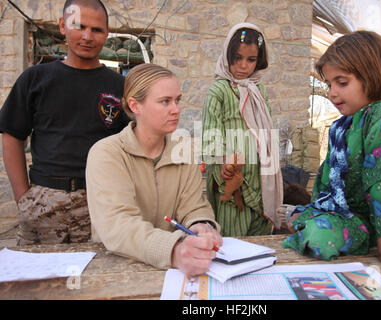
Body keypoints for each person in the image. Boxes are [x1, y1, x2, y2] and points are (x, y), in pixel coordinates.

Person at [283, 30, 381, 281]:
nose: (332, 93)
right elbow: (325, 181)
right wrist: (312, 209)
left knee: (318, 236)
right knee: (299, 215)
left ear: (373, 76)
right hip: (339, 213)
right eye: (329, 84)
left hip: (368, 222)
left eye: (342, 83)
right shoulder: (340, 126)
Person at [0, 0, 129, 245]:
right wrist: (23, 198)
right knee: (36, 281)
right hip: (43, 202)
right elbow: (12, 135)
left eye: (97, 30)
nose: (87, 36)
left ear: (107, 34)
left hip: (99, 203)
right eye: (78, 26)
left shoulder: (119, 87)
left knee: (97, 279)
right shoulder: (35, 79)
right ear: (62, 25)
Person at [86, 63, 223, 277]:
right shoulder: (106, 154)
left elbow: (194, 205)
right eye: (165, 101)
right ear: (135, 105)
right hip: (116, 270)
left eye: (177, 100)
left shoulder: (183, 148)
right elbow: (118, 224)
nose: (176, 109)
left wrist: (201, 224)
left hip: (173, 272)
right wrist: (174, 251)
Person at [201, 23, 283, 237]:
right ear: (227, 56)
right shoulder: (218, 90)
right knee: (232, 240)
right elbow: (211, 136)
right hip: (231, 181)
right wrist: (225, 167)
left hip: (258, 177)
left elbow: (267, 130)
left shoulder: (259, 89)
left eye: (251, 59)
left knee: (260, 240)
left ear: (260, 60)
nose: (243, 66)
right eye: (237, 58)